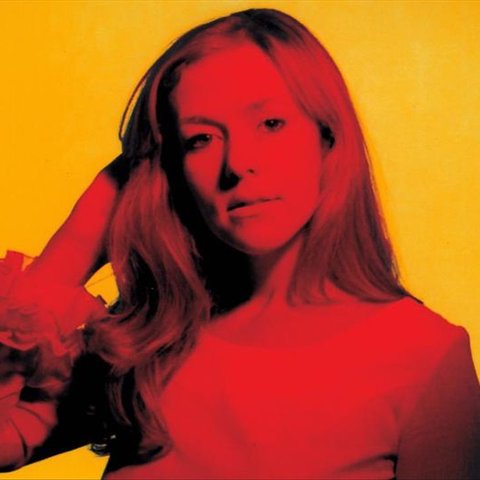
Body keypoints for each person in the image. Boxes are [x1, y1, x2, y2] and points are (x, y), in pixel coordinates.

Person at [1, 8, 479, 479]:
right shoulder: (148, 338)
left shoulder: (424, 357)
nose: (238, 164)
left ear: (328, 137)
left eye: (270, 124)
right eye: (201, 139)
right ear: (172, 169)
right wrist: (84, 232)